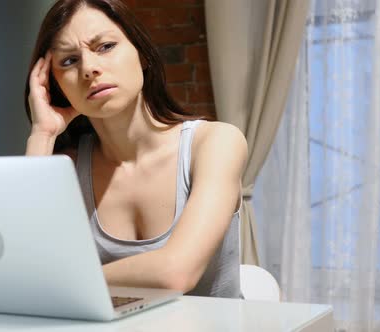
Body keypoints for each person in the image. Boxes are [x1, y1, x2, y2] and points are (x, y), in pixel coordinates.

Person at [24, 0, 247, 298]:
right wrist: (42, 132)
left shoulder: (216, 143)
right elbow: (22, 269)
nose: (89, 68)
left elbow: (175, 272)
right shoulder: (66, 168)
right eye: (68, 61)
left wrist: (59, 282)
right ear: (56, 86)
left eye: (104, 46)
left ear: (141, 54)